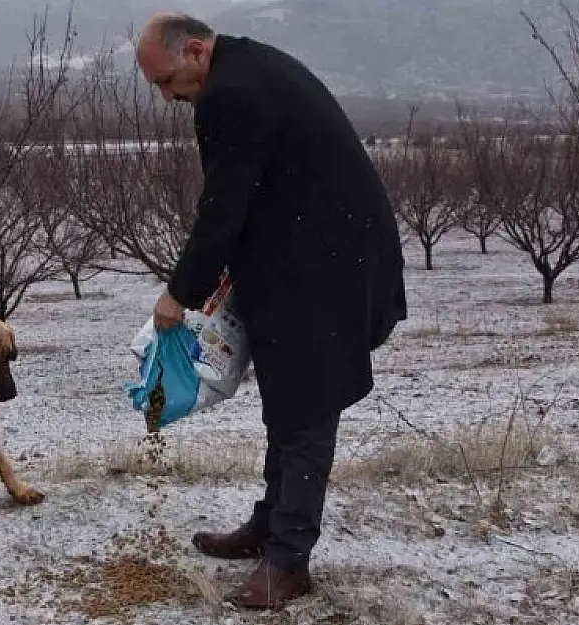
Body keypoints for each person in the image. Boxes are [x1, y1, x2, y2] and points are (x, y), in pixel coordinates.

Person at [134, 12, 408, 611]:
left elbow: (223, 207)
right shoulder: (244, 71)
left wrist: (178, 295)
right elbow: (260, 191)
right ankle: (269, 527)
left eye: (166, 82)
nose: (167, 97)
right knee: (286, 400)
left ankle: (288, 560)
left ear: (197, 52)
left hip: (328, 265)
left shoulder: (229, 94)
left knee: (307, 407)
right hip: (307, 255)